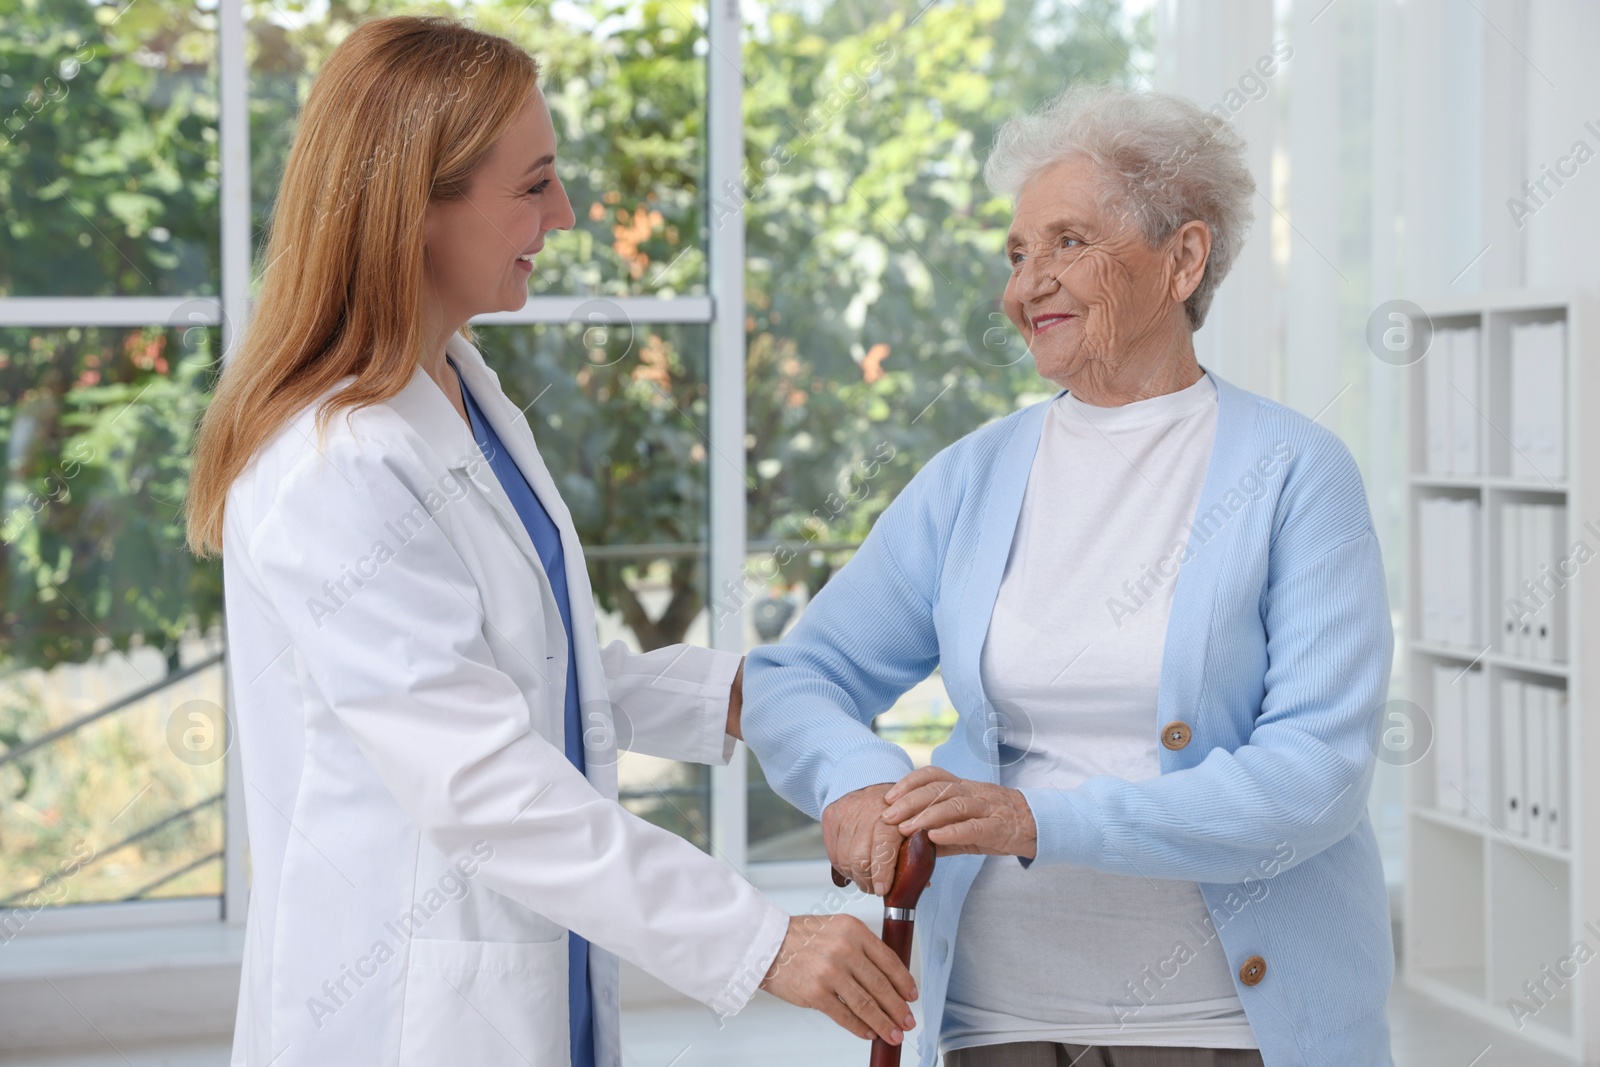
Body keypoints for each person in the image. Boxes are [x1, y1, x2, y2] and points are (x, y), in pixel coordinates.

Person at [183, 16, 916, 1067]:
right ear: (416, 206)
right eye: (534, 184)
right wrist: (762, 939)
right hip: (405, 1011)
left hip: (529, 971)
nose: (564, 214)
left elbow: (528, 670)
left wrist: (730, 695)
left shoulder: (459, 389)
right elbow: (481, 779)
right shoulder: (333, 463)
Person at [741, 84, 1396, 1067]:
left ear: (1184, 257)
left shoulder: (1295, 472)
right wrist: (861, 784)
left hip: (1220, 1026)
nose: (1026, 284)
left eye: (1067, 243)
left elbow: (1313, 778)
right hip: (992, 1020)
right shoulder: (974, 473)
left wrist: (1038, 819)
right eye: (1015, 253)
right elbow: (796, 678)